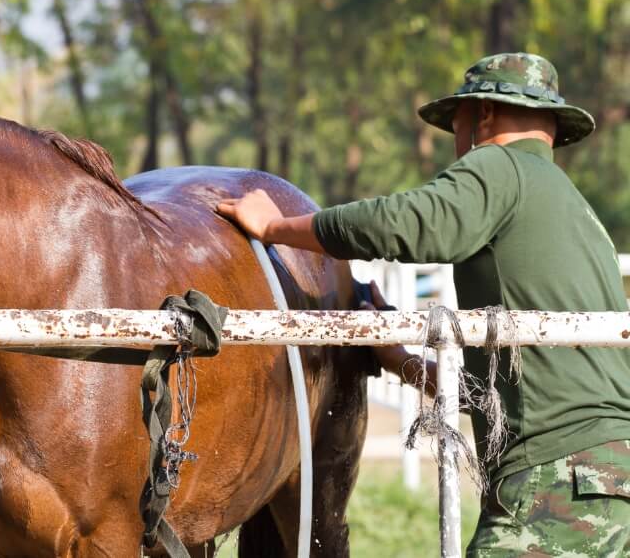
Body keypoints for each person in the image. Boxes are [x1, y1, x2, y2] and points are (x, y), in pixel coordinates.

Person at [217, 53, 630, 556]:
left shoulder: (501, 168)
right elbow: (529, 385)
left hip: (556, 481)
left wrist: (276, 226)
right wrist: (404, 361)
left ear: (482, 115)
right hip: (610, 481)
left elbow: (404, 222)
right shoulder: (576, 212)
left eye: (455, 121)